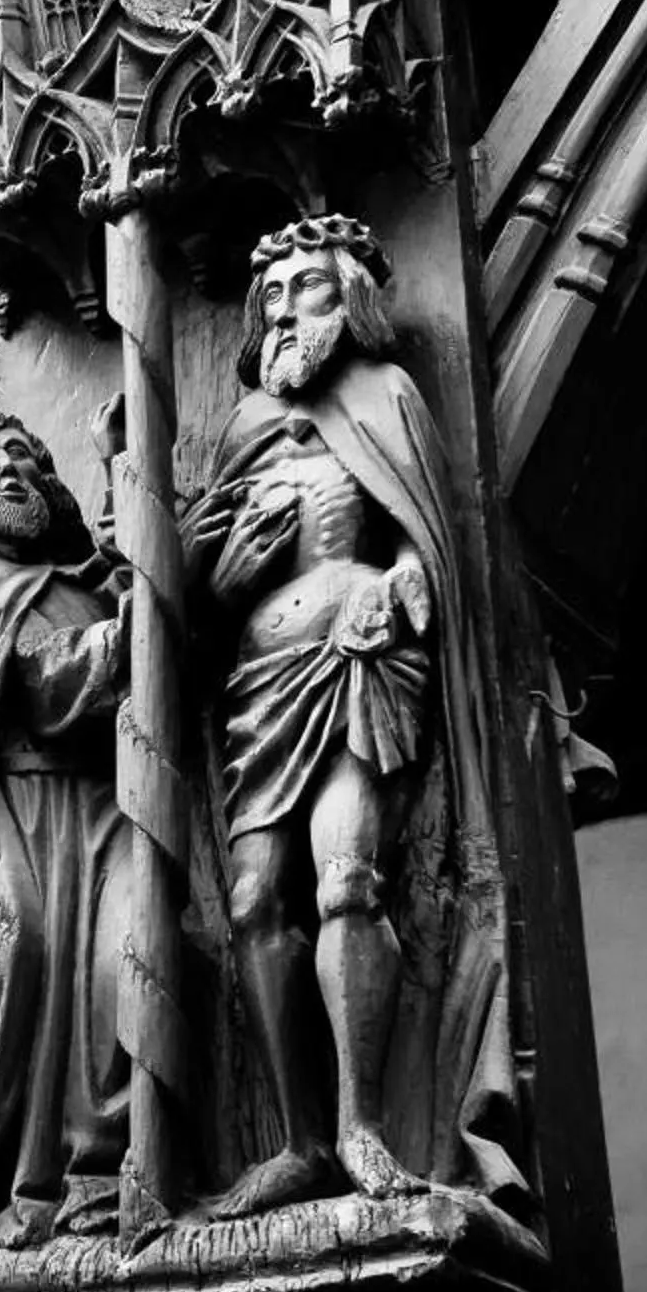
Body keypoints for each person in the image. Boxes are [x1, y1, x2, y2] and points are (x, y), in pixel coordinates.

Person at [187, 215, 470, 1215]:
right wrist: (229, 564)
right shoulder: (243, 429)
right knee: (260, 899)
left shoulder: (387, 397)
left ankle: (361, 1124)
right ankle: (299, 1141)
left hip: (356, 659)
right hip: (261, 684)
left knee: (349, 875)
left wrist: (391, 585)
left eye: (308, 288)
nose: (287, 308)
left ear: (348, 297)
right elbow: (201, 588)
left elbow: (422, 543)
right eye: (272, 296)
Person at [0, 410, 182, 1259]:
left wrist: (119, 471)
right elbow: (51, 682)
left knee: (122, 965)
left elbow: (119, 581)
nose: (13, 469)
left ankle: (97, 1176)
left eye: (27, 455)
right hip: (16, 820)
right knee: (0, 963)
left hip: (100, 814)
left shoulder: (82, 579)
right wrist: (143, 623)